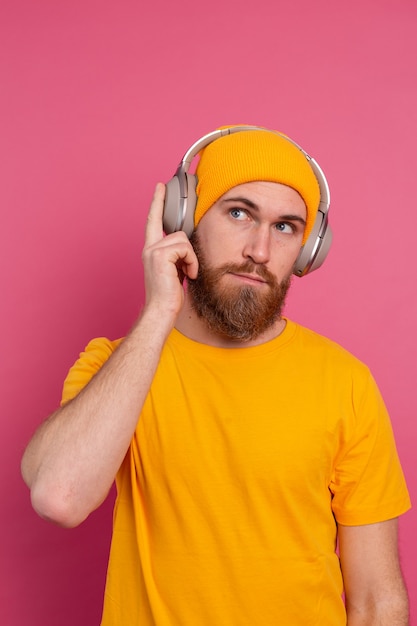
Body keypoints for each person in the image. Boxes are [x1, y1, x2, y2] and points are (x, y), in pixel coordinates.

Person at [21, 125, 411, 625]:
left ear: (308, 252)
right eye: (238, 213)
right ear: (185, 219)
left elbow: (379, 600)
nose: (260, 250)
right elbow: (60, 496)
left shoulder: (345, 382)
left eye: (287, 227)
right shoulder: (113, 365)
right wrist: (159, 312)